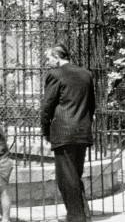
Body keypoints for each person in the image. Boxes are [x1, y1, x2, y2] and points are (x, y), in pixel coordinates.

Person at [40, 44, 95, 222]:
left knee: (65, 178)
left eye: (48, 58)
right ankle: (83, 213)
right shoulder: (86, 74)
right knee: (75, 175)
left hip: (64, 132)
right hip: (82, 130)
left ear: (57, 57)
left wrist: (45, 130)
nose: (47, 63)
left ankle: (76, 217)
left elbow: (47, 106)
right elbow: (91, 105)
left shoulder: (55, 75)